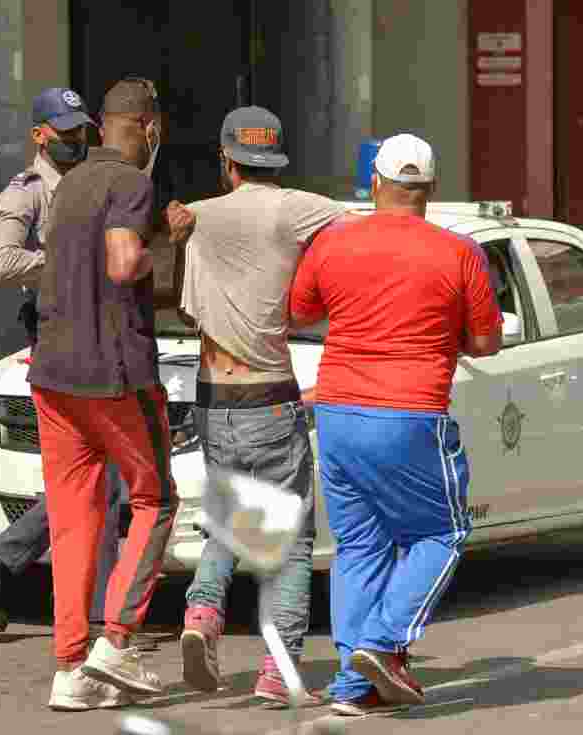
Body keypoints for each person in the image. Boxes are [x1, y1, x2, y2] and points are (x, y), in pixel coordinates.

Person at [289, 133, 502, 715]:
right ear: (430, 189)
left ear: (375, 183)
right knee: (442, 532)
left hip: (337, 412)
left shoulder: (333, 241)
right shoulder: (459, 252)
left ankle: (353, 686)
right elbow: (486, 341)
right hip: (411, 414)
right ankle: (383, 644)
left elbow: (300, 311)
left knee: (360, 544)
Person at [176, 106, 356, 707]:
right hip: (269, 394)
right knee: (292, 539)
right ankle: (278, 672)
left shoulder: (195, 216)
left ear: (225, 161)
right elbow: (361, 230)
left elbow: (182, 303)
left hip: (212, 395)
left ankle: (202, 613)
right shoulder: (294, 208)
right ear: (275, 161)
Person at [27, 77, 194, 711]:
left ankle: (71, 667)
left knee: (74, 520)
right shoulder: (131, 183)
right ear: (151, 129)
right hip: (115, 375)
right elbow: (124, 263)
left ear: (100, 126)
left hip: (52, 376)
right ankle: (117, 642)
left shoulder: (68, 185)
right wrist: (163, 244)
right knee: (156, 499)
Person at [0, 86, 128, 636]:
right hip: (56, 333)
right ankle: (89, 609)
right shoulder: (27, 192)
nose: (75, 140)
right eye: (65, 132)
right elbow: (0, 263)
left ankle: (0, 562)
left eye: (81, 131)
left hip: (92, 331)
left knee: (94, 471)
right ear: (39, 135)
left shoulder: (89, 180)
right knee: (101, 472)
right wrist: (64, 261)